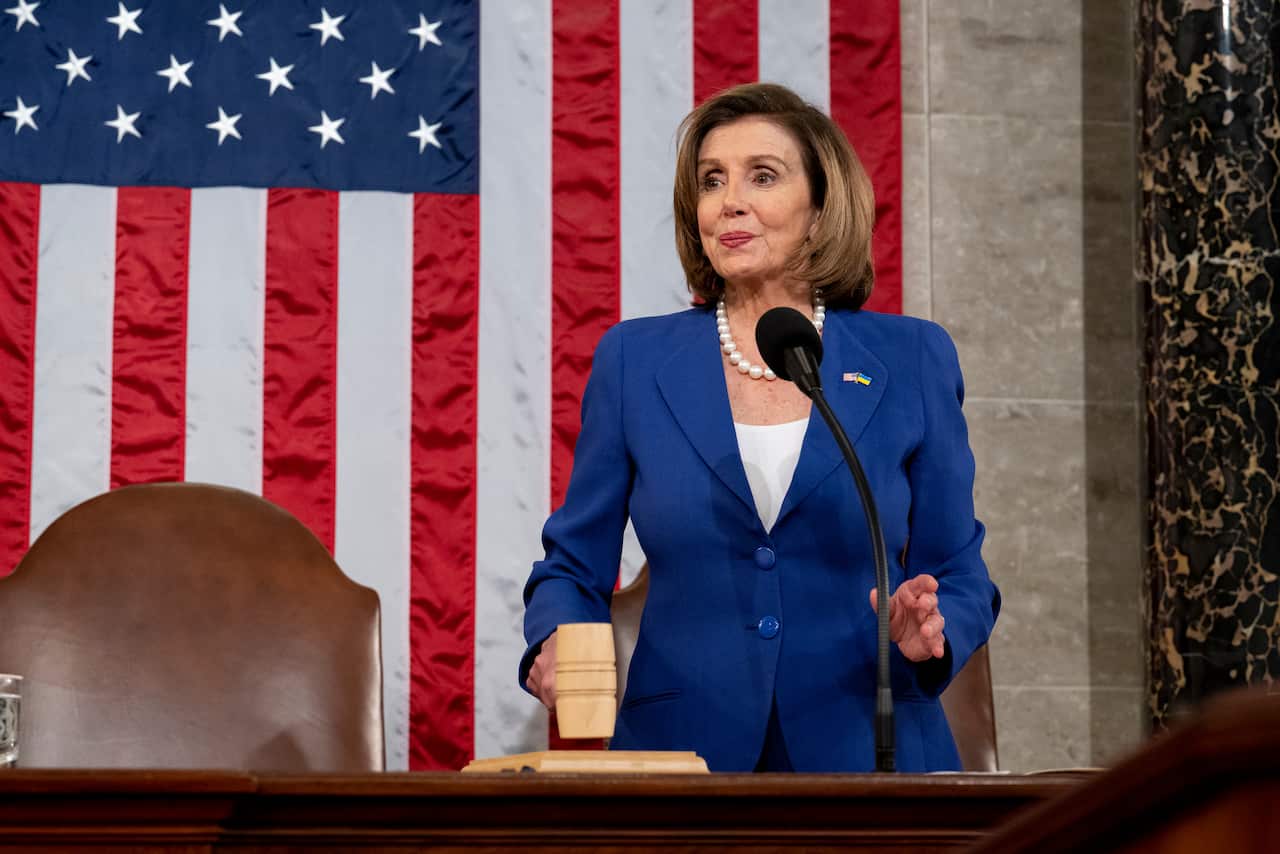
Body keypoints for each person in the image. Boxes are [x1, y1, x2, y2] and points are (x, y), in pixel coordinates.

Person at [519, 82, 1000, 772]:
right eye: (711, 180)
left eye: (762, 176)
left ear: (819, 208)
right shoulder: (635, 360)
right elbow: (571, 564)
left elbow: (956, 569)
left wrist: (932, 629)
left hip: (870, 751)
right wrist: (557, 637)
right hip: (682, 758)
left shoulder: (913, 358)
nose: (729, 200)